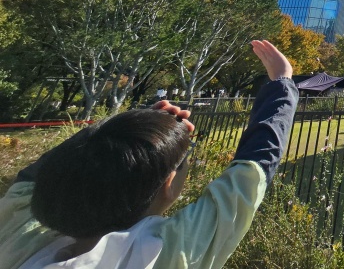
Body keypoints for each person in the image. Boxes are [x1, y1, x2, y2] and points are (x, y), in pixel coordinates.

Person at [0, 40, 297, 269]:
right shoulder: (162, 254)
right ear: (167, 184)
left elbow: (37, 175)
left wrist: (137, 126)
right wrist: (283, 83)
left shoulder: (16, 231)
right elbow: (254, 168)